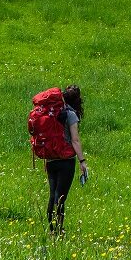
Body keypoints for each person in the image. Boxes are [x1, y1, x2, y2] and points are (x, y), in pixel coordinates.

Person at [45, 84, 88, 234]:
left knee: (53, 194)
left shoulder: (54, 112)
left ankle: (51, 228)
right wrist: (82, 161)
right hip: (66, 160)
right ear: (78, 100)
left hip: (50, 159)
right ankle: (58, 229)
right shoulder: (71, 114)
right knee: (61, 196)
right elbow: (75, 140)